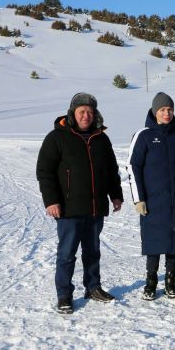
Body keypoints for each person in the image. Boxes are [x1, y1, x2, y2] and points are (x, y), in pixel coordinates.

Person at [36, 92, 124, 315]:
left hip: (95, 207)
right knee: (67, 254)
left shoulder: (101, 139)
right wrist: (51, 200)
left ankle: (93, 287)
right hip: (68, 209)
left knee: (92, 251)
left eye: (90, 112)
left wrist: (116, 195)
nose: (86, 115)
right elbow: (44, 172)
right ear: (73, 114)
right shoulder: (57, 138)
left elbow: (111, 170)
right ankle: (64, 294)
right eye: (82, 111)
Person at [127, 92, 175, 301]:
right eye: (162, 110)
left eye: (169, 109)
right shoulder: (144, 135)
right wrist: (138, 198)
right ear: (154, 111)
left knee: (174, 241)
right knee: (154, 241)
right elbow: (133, 167)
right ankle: (151, 281)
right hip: (153, 201)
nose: (166, 113)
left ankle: (170, 281)